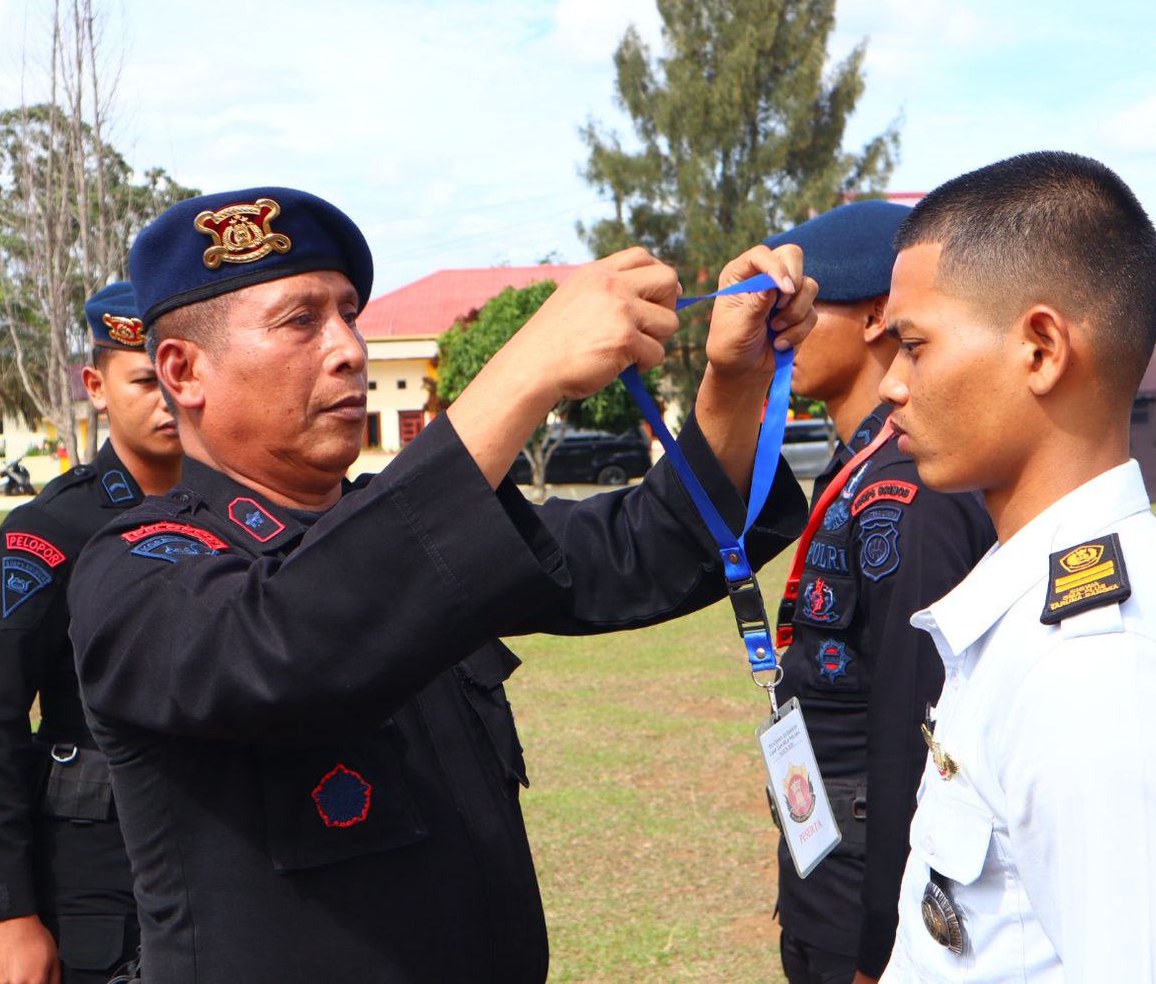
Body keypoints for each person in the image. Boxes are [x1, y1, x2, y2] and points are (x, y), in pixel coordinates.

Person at [65, 186, 818, 982]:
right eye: (300, 321)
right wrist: (524, 371)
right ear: (184, 371)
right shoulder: (138, 566)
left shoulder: (401, 526)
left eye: (348, 314)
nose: (349, 349)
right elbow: (286, 646)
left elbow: (644, 547)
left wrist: (734, 380)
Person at [876, 152, 1156, 982]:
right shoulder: (1038, 608)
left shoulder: (1104, 674)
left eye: (913, 346)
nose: (891, 384)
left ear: (1042, 349)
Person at [765, 202, 997, 984]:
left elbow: (916, 731)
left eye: (800, 312)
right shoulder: (860, 465)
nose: (779, 334)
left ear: (875, 317)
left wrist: (882, 948)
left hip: (871, 909)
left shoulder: (909, 484)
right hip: (825, 873)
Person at [0, 281, 181, 984]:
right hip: (96, 875)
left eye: (180, 375)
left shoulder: (235, 512)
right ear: (96, 387)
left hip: (222, 860)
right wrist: (12, 914)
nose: (168, 399)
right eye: (143, 380)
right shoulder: (48, 534)